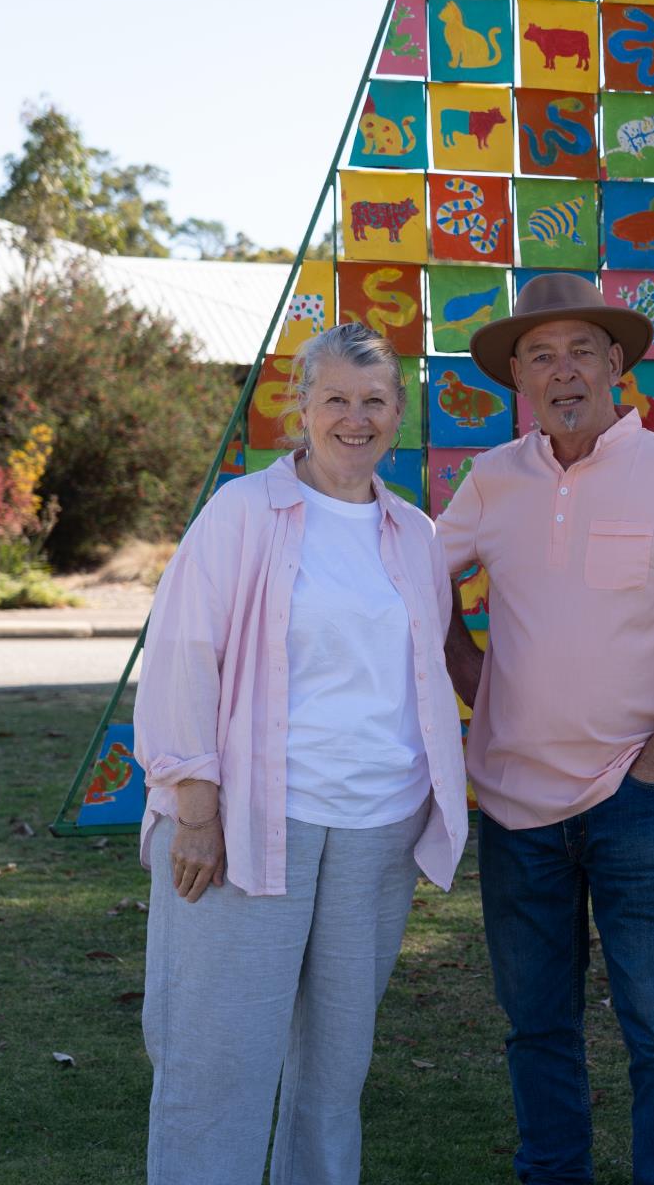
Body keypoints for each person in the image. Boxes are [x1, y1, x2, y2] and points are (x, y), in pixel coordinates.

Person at [438, 273, 654, 1185]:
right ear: (518, 380)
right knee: (536, 1027)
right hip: (512, 806)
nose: (562, 370)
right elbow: (417, 575)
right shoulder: (490, 480)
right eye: (538, 355)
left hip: (634, 804)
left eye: (582, 349)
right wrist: (475, 678)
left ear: (617, 364)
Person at [132, 322, 467, 1185]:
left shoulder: (418, 536)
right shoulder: (243, 513)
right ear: (301, 409)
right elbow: (180, 661)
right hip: (247, 825)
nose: (355, 420)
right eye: (336, 402)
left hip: (377, 831)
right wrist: (195, 813)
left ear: (399, 413)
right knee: (217, 1063)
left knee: (333, 1075)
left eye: (374, 402)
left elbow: (421, 677)